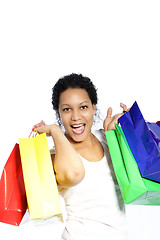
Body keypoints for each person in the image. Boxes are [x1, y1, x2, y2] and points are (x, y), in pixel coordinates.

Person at [35, 73, 128, 240]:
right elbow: (73, 174)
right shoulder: (55, 156)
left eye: (83, 107)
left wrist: (131, 131)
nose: (76, 117)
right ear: (59, 113)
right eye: (67, 109)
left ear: (93, 107)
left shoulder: (106, 138)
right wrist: (56, 132)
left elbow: (142, 174)